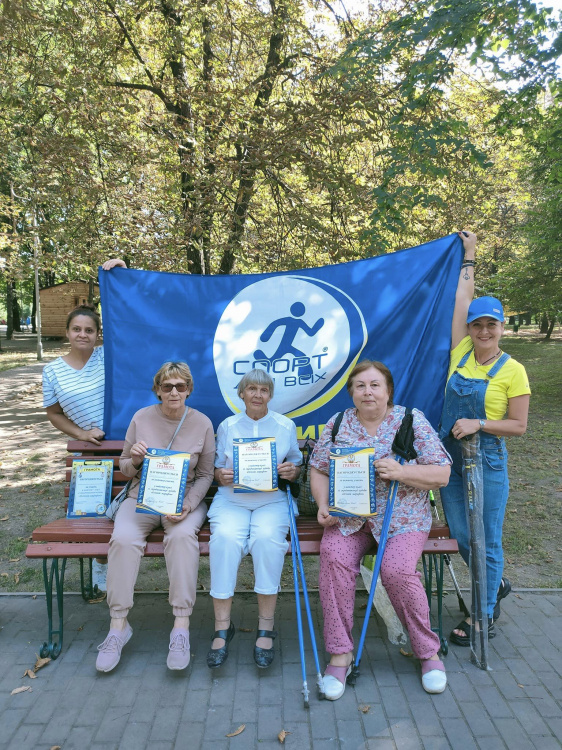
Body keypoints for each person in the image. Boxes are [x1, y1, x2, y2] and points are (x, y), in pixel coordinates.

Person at [310, 360, 452, 698]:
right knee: (333, 558)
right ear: (351, 393)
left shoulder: (409, 420)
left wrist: (402, 472)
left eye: (375, 385)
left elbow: (442, 474)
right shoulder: (338, 423)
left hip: (401, 519)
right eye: (360, 386)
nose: (367, 392)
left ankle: (427, 652)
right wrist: (322, 504)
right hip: (351, 518)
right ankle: (340, 654)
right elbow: (317, 469)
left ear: (388, 390)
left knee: (397, 571)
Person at [439, 231, 530, 646]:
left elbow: (518, 425)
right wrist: (469, 255)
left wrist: (479, 423)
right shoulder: (461, 352)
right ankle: (494, 584)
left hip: (488, 460)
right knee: (461, 534)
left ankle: (483, 614)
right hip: (453, 461)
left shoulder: (514, 370)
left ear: (501, 327)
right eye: (477, 324)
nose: (483, 330)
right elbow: (462, 300)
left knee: (487, 538)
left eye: (491, 323)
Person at [95, 361, 215, 672]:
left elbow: (205, 475)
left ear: (189, 390)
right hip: (141, 498)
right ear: (157, 390)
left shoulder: (202, 423)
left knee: (182, 537)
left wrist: (188, 504)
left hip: (183, 502)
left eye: (180, 386)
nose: (174, 392)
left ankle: (181, 626)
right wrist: (134, 459)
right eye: (167, 386)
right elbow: (124, 466)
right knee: (122, 539)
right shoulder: (141, 418)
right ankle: (118, 626)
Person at [207, 369, 302, 669]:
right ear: (242, 393)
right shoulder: (228, 426)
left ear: (271, 395)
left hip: (272, 501)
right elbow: (216, 470)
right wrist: (219, 475)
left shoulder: (285, 425)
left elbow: (296, 464)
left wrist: (291, 471)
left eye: (264, 390)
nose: (258, 395)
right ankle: (222, 627)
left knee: (266, 541)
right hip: (232, 501)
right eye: (252, 389)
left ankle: (266, 626)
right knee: (224, 540)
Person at [41, 258, 127, 590]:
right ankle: (101, 572)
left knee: (130, 516)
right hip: (91, 453)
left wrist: (117, 275)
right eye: (77, 329)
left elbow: (129, 322)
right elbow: (53, 413)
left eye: (89, 330)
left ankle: (125, 571)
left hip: (125, 443)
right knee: (97, 516)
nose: (83, 334)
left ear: (97, 334)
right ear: (67, 332)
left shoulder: (110, 356)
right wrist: (81, 434)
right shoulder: (53, 370)